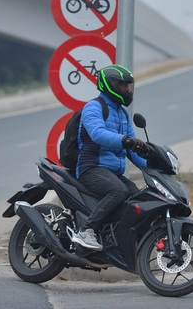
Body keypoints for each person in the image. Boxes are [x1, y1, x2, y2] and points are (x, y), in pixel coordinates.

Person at [70, 64, 148, 251]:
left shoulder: (122, 114)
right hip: (92, 168)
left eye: (129, 86)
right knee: (119, 191)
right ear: (110, 85)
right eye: (123, 86)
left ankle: (114, 237)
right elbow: (98, 134)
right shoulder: (94, 107)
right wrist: (126, 140)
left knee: (139, 197)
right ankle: (87, 230)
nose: (127, 90)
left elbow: (131, 150)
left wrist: (152, 165)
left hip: (112, 171)